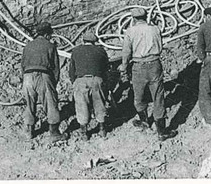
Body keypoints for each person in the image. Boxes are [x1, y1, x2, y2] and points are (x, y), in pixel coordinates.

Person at [120, 7, 177, 141]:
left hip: (138, 66)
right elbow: (160, 46)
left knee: (138, 95)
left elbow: (126, 51)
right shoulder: (155, 28)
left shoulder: (130, 31)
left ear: (133, 19)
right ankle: (161, 131)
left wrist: (124, 65)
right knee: (158, 96)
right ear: (146, 17)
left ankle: (144, 121)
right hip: (154, 64)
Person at [21, 22, 65, 142]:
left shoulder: (28, 46)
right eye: (50, 34)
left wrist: (25, 79)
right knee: (51, 104)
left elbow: (23, 65)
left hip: (27, 77)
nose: (50, 37)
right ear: (46, 34)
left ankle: (29, 132)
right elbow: (55, 68)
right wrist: (53, 85)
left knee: (29, 104)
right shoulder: (50, 46)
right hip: (43, 76)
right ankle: (54, 133)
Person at [69, 30, 109, 140]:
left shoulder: (76, 51)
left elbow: (72, 70)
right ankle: (102, 130)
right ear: (94, 42)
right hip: (96, 79)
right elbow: (106, 68)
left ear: (83, 41)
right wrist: (103, 82)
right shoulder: (100, 50)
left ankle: (84, 133)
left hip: (81, 80)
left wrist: (75, 82)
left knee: (82, 106)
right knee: (99, 104)